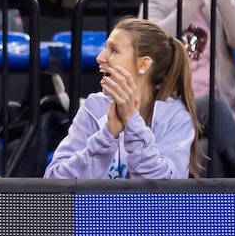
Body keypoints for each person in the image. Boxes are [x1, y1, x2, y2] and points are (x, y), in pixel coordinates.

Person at [142, 0, 235, 177]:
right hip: (171, 108)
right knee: (213, 106)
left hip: (221, 121)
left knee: (206, 152)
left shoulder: (218, 1)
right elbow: (154, 44)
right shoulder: (155, 3)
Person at [44, 17, 199, 179]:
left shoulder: (175, 116)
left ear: (143, 64)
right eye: (105, 48)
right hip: (95, 205)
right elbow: (54, 180)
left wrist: (132, 123)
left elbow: (164, 188)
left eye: (114, 50)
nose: (100, 58)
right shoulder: (95, 107)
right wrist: (107, 135)